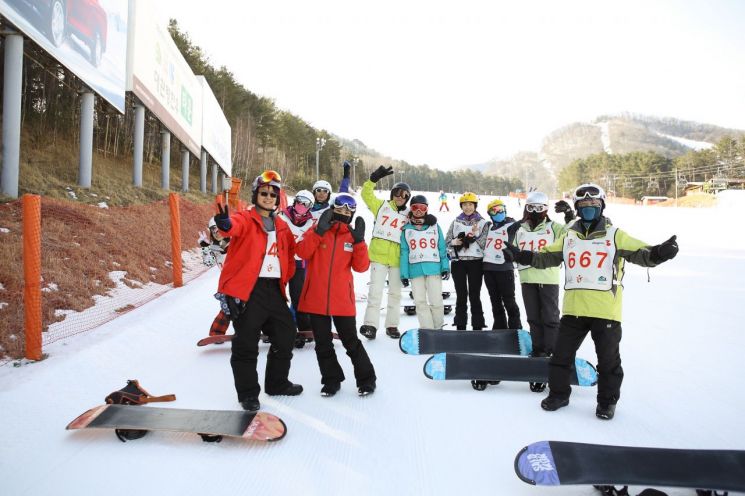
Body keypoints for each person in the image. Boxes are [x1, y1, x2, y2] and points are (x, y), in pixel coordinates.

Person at [507, 183, 679, 420]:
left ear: (601, 206)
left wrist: (660, 253)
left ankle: (606, 403)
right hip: (574, 309)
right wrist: (521, 255)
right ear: (577, 207)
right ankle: (558, 394)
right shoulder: (569, 236)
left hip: (605, 310)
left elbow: (642, 253)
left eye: (593, 204)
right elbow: (545, 257)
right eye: (584, 204)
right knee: (560, 357)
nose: (588, 208)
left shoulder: (615, 235)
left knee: (608, 361)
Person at [213, 170, 303, 412]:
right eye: (263, 193)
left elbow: (293, 253)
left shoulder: (282, 226)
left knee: (286, 335)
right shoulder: (245, 218)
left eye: (273, 194)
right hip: (248, 289)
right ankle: (248, 394)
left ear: (278, 199)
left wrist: (288, 274)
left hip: (273, 289)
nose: (268, 197)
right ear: (255, 195)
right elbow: (231, 228)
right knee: (246, 343)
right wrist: (224, 224)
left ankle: (277, 383)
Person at [296, 194, 377, 397]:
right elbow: (302, 252)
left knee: (351, 342)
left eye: (348, 211)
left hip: (342, 300)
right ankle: (331, 380)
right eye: (340, 210)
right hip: (316, 298)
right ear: (332, 210)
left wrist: (359, 242)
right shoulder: (317, 230)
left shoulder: (352, 237)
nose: (344, 214)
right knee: (323, 344)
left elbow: (361, 267)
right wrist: (318, 231)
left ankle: (367, 380)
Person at [509, 191, 573, 393]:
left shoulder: (554, 227)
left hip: (548, 277)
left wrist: (570, 215)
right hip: (527, 278)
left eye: (540, 208)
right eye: (531, 208)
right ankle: (538, 349)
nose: (535, 212)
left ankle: (552, 351)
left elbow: (573, 235)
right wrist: (509, 247)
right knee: (534, 317)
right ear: (526, 208)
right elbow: (512, 250)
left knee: (551, 317)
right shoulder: (519, 228)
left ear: (546, 209)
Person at [359, 165, 411, 340]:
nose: (399, 197)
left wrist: (429, 219)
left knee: (395, 294)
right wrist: (373, 179)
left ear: (407, 198)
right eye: (397, 193)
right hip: (379, 257)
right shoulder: (381, 207)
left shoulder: (409, 215)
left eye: (404, 195)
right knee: (375, 292)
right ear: (392, 194)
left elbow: (423, 220)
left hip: (397, 259)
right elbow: (366, 195)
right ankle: (371, 325)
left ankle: (392, 325)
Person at [399, 195, 450, 330]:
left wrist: (445, 267)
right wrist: (404, 274)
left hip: (433, 268)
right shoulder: (406, 229)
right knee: (420, 302)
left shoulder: (434, 226)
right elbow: (404, 253)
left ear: (427, 209)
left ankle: (438, 328)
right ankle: (427, 330)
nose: (419, 210)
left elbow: (442, 247)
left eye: (423, 207)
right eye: (415, 207)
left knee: (436, 301)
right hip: (415, 270)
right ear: (411, 209)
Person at [277, 189, 316, 348]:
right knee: (276, 297)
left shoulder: (311, 223)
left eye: (305, 203)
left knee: (299, 298)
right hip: (280, 263)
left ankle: (305, 329)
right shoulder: (281, 216)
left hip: (299, 265)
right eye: (299, 201)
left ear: (310, 207)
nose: (301, 205)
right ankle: (278, 328)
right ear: (295, 201)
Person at [445, 192, 489, 330]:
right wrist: (455, 241)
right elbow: (447, 242)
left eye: (470, 204)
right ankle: (460, 324)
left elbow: (485, 243)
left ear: (475, 205)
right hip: (459, 262)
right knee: (461, 294)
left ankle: (478, 324)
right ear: (461, 206)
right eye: (465, 205)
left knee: (475, 294)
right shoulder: (456, 221)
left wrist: (474, 236)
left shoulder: (482, 222)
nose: (468, 207)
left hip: (476, 262)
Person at [481, 198, 522, 330]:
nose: (499, 212)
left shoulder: (511, 225)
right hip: (488, 268)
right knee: (495, 301)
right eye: (495, 210)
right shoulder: (488, 227)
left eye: (501, 209)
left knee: (509, 300)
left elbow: (524, 229)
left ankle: (515, 328)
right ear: (490, 214)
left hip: (504, 269)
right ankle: (499, 327)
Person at [198, 218, 232, 337]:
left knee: (252, 307)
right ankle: (216, 332)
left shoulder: (235, 242)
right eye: (214, 230)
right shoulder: (214, 248)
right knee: (227, 308)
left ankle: (264, 329)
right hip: (227, 284)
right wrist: (205, 248)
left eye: (220, 229)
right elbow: (209, 263)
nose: (217, 232)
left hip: (243, 281)